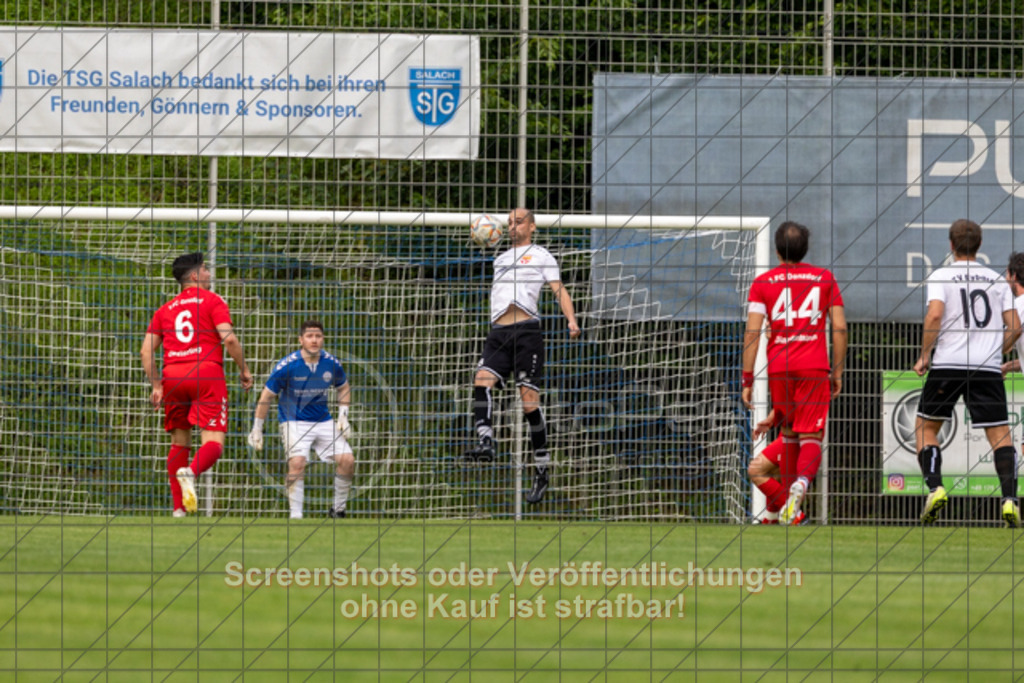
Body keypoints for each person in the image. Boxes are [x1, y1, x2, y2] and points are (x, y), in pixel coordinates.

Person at [463, 208, 581, 504]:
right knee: (481, 381)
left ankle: (541, 471)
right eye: (509, 223)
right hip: (498, 333)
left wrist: (571, 319)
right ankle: (486, 441)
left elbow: (559, 289)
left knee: (529, 405)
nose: (512, 226)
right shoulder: (500, 259)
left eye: (518, 222)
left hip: (527, 334)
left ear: (532, 226)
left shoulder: (542, 256)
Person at [913, 220, 1021, 527]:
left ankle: (935, 488)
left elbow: (935, 315)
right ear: (979, 245)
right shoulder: (996, 280)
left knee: (925, 428)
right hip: (985, 367)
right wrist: (995, 352)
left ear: (951, 245)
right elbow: (1015, 327)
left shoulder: (941, 275)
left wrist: (924, 355)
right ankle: (1010, 500)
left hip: (948, 364)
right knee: (1000, 434)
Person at [741, 221, 847, 525]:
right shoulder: (824, 278)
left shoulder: (763, 283)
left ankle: (790, 509)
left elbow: (753, 333)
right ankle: (800, 484)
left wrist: (747, 379)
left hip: (779, 367)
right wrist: (837, 371)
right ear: (805, 249)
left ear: (777, 251)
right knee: (811, 434)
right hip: (813, 365)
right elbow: (840, 327)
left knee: (788, 434)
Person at [140, 252, 253, 516]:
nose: (209, 273)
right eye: (205, 269)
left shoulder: (164, 310)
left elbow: (146, 352)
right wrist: (244, 369)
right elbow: (229, 339)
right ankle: (190, 472)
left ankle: (178, 510)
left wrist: (156, 386)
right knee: (214, 441)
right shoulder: (213, 301)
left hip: (173, 377)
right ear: (194, 275)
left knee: (179, 442)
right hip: (206, 374)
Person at [247, 320, 355, 519]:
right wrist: (257, 429)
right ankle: (296, 516)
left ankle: (338, 510)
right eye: (309, 336)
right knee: (297, 462)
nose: (314, 340)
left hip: (323, 420)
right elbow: (266, 396)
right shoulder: (287, 366)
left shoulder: (331, 363)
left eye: (318, 336)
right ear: (300, 340)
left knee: (348, 460)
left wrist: (343, 415)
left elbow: (343, 387)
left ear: (323, 339)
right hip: (293, 421)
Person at [748, 410, 805, 525]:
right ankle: (771, 518)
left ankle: (795, 515)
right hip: (791, 432)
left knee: (755, 470)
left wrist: (769, 419)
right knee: (774, 473)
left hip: (794, 434)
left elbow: (789, 402)